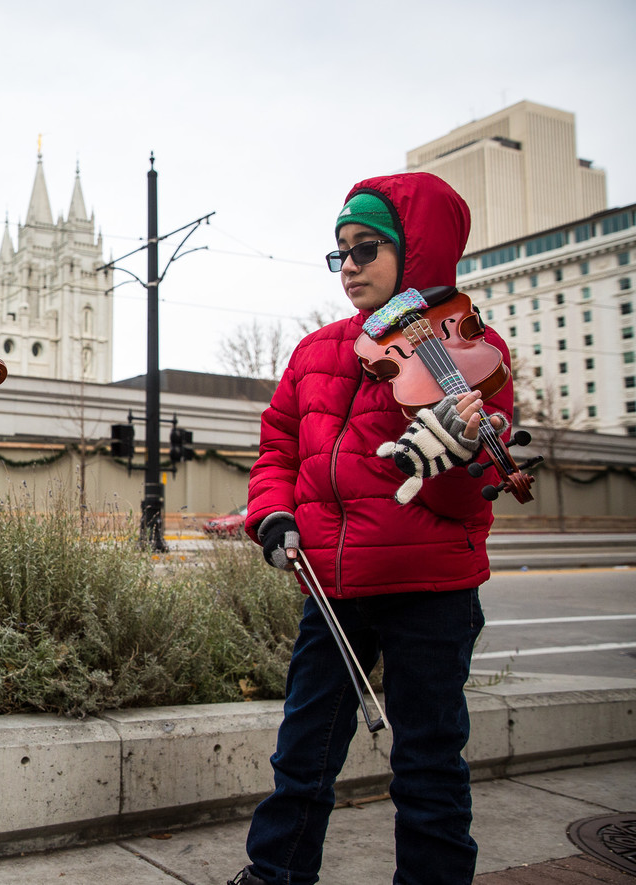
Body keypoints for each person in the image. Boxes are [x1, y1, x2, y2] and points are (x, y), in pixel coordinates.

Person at [228, 172, 512, 885]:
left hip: (431, 589)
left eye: (367, 249)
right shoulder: (316, 350)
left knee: (427, 765)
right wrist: (272, 512)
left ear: (414, 252)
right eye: (341, 252)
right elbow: (278, 449)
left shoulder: (470, 355)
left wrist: (459, 451)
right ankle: (274, 876)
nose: (348, 265)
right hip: (330, 583)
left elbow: (465, 501)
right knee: (302, 755)